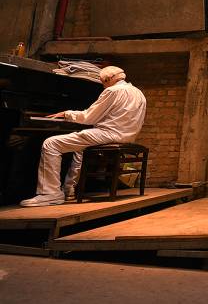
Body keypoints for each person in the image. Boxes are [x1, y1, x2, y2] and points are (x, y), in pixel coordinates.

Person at [20, 66, 147, 207]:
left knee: (51, 143)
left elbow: (89, 117)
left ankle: (50, 194)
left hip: (109, 134)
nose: (102, 86)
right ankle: (69, 189)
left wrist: (67, 114)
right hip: (127, 136)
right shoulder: (138, 93)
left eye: (102, 82)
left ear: (108, 79)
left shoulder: (112, 91)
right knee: (80, 148)